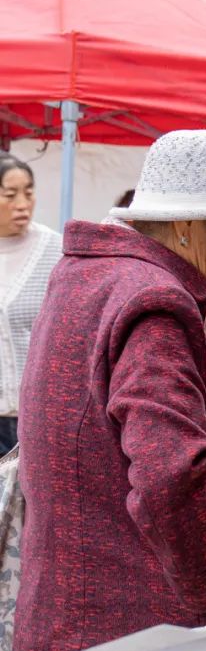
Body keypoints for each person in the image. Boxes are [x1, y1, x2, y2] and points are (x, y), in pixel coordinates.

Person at [15, 131, 206, 651]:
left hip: (68, 623)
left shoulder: (85, 273)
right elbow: (169, 478)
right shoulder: (155, 302)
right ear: (188, 227)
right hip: (136, 639)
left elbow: (117, 450)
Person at [0, 154, 62, 455]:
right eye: (10, 195)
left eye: (29, 192)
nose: (23, 203)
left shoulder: (55, 251)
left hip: (36, 416)